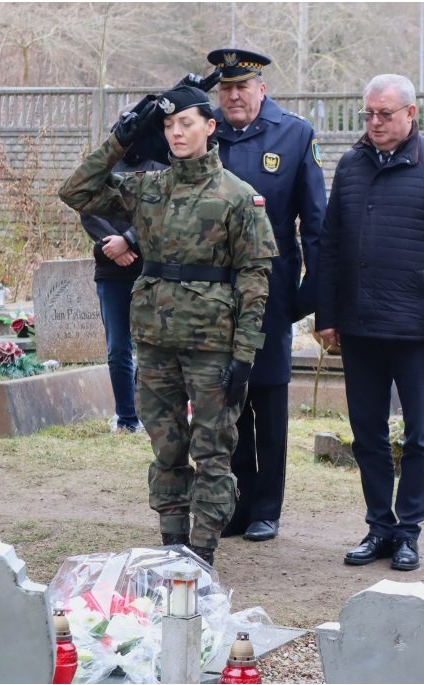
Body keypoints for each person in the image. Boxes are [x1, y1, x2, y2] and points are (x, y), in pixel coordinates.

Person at [58, 85, 278, 566]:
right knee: (167, 451)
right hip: (156, 342)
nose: (176, 133)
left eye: (187, 124)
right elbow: (75, 191)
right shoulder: (148, 187)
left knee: (213, 452)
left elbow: (255, 279)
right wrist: (119, 140)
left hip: (212, 347)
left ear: (210, 128)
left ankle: (202, 553)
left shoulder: (239, 198)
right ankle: (172, 548)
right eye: (168, 126)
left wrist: (244, 355)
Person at [316, 73, 424, 571]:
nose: (375, 123)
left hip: (416, 331)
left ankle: (408, 532)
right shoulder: (351, 165)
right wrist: (328, 315)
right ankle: (378, 526)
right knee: (367, 433)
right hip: (360, 328)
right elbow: (331, 245)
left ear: (410, 115)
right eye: (368, 114)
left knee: (420, 437)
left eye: (385, 114)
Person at [197, 48, 327, 543]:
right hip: (210, 290)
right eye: (224, 88)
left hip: (270, 291)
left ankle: (266, 508)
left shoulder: (294, 135)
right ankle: (234, 504)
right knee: (223, 395)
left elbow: (315, 223)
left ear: (261, 89)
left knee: (268, 397)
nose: (232, 96)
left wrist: (309, 297)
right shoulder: (203, 131)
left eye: (241, 87)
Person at [78, 116, 166, 434]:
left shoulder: (161, 164)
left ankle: (153, 413)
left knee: (154, 346)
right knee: (118, 348)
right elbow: (87, 207)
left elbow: (160, 213)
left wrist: (129, 240)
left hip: (150, 269)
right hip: (110, 269)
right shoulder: (104, 165)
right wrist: (112, 245)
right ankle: (127, 419)